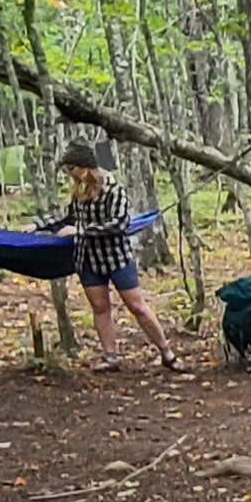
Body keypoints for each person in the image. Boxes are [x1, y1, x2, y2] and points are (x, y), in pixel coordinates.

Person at [58, 138, 178, 371]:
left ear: (85, 166)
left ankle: (166, 351)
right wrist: (39, 225)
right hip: (88, 259)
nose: (70, 174)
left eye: (72, 168)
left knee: (137, 306)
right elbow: (68, 219)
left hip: (116, 257)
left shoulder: (113, 188)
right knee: (100, 307)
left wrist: (81, 231)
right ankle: (110, 356)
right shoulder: (79, 191)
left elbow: (119, 224)